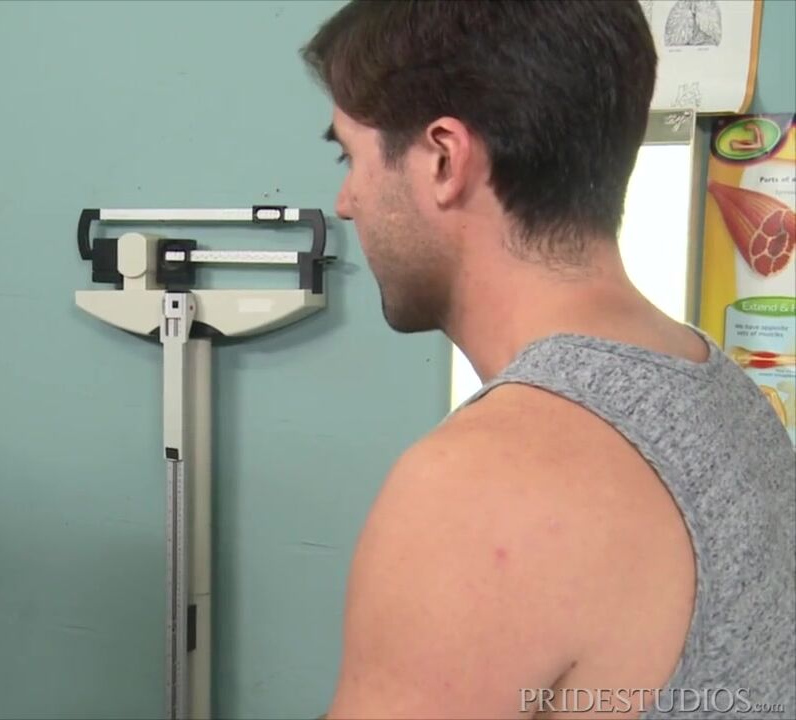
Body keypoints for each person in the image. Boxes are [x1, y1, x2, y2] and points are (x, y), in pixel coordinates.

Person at [302, 2, 795, 718]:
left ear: (443, 159)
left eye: (350, 156)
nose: (346, 202)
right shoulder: (723, 391)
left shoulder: (481, 486)